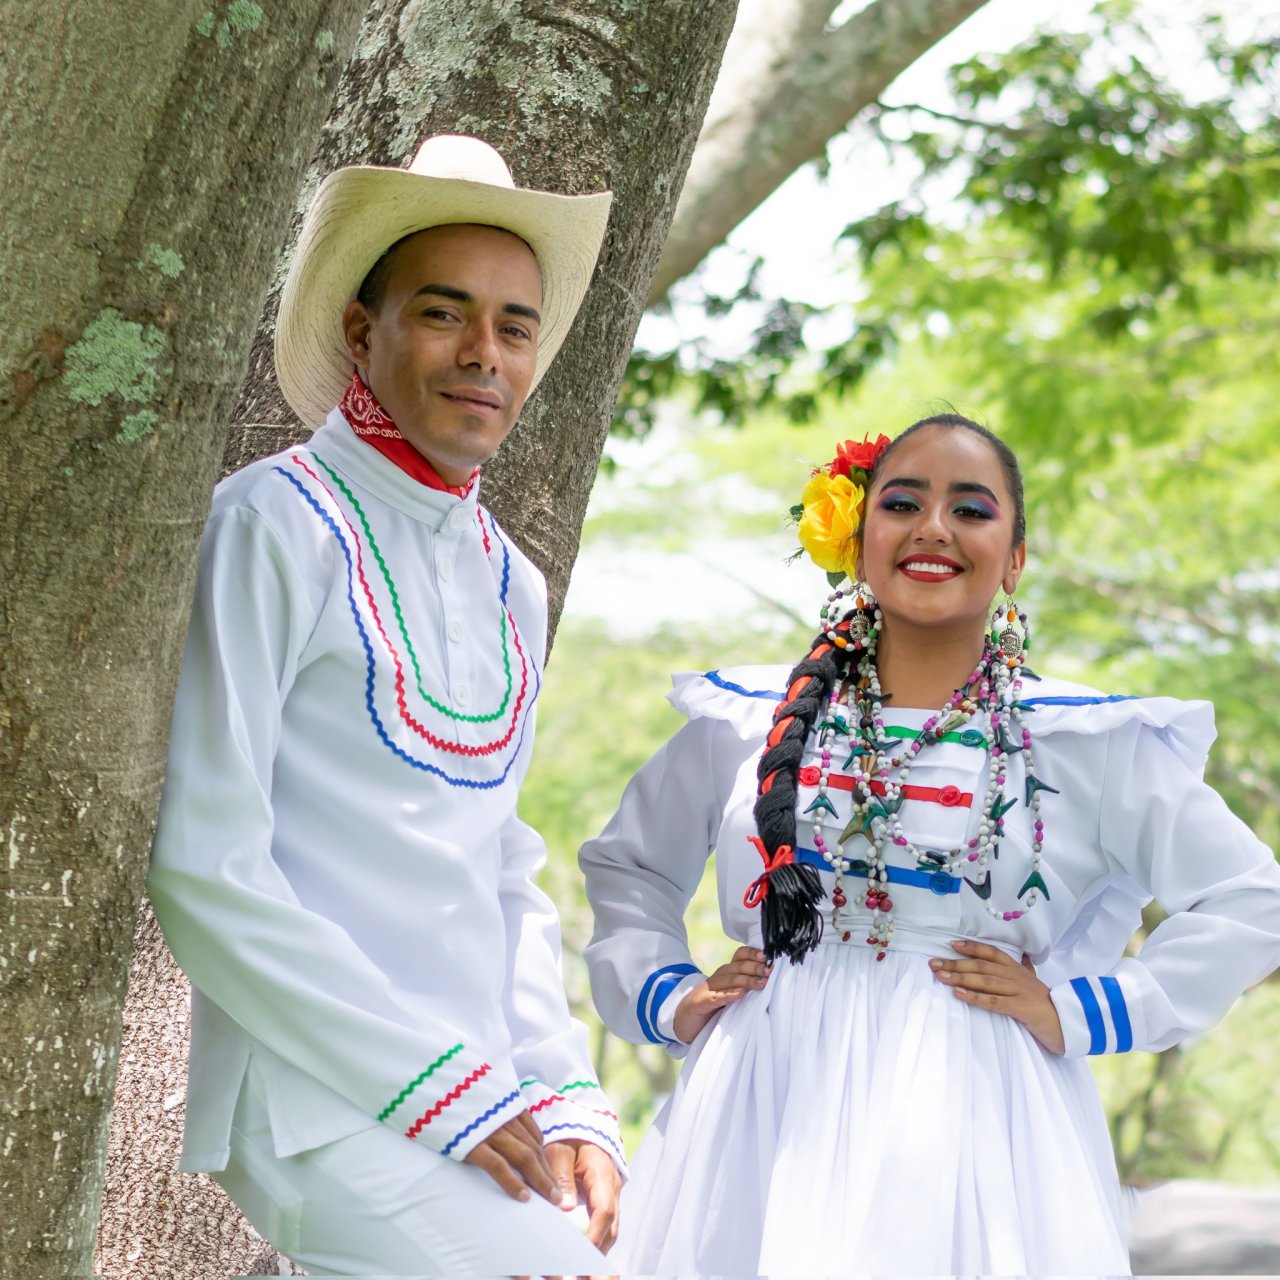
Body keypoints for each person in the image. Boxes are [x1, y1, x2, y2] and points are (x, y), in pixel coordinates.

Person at [579, 413, 1280, 1276]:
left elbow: (1251, 897)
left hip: (977, 1107)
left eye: (972, 510)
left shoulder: (1086, 740)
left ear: (1015, 558)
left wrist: (1081, 1011)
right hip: (762, 1093)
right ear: (858, 539)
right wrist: (664, 992)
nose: (934, 528)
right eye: (902, 502)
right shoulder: (748, 718)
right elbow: (629, 865)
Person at [148, 135, 623, 1276]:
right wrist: (433, 1088)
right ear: (363, 333)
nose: (483, 353)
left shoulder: (510, 576)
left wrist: (563, 1088)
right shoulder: (271, 523)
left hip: (481, 1100)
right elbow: (204, 862)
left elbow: (500, 862)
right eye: (442, 313)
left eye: (514, 327)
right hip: (315, 1088)